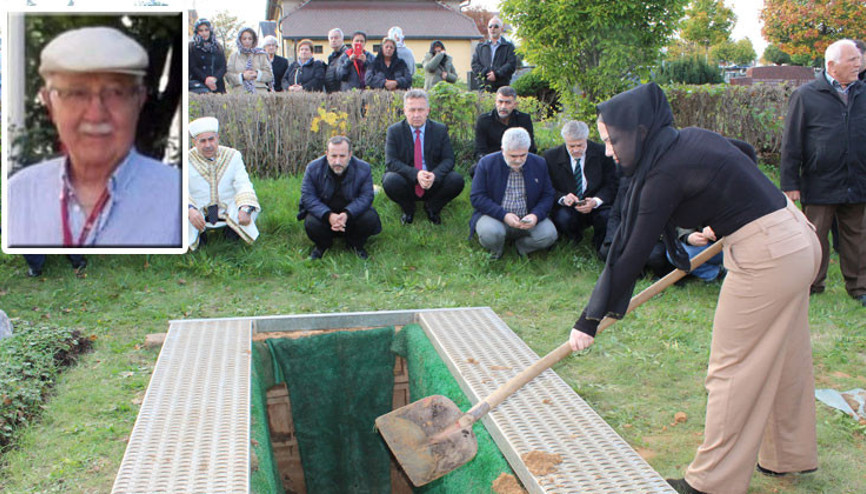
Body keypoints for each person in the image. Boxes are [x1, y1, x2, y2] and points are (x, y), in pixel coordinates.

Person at [568, 83, 821, 494]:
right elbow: (743, 155)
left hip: (768, 257)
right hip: (796, 235)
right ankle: (787, 456)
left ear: (640, 132)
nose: (611, 151)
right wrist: (722, 214)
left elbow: (629, 251)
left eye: (613, 140)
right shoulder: (691, 138)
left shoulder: (663, 174)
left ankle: (712, 484)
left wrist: (588, 321)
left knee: (732, 370)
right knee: (787, 353)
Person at [7, 26, 181, 248]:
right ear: (50, 104)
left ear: (139, 100)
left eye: (115, 93)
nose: (96, 114)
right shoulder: (18, 195)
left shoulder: (178, 199)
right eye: (76, 93)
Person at [781, 39, 866, 307]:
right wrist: (789, 183)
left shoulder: (863, 93)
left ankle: (860, 287)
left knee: (858, 238)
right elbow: (791, 142)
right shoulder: (806, 96)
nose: (858, 64)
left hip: (857, 180)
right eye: (851, 59)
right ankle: (812, 284)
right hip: (820, 181)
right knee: (814, 237)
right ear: (832, 65)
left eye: (858, 59)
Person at [470, 127, 557, 259]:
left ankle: (521, 247)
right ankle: (497, 250)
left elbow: (548, 195)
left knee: (549, 234)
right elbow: (477, 197)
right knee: (490, 233)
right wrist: (504, 215)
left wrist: (535, 215)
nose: (518, 160)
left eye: (523, 155)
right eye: (513, 156)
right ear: (503, 150)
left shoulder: (539, 163)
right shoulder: (487, 163)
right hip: (496, 216)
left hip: (528, 217)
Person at [383, 89, 465, 225]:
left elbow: (449, 159)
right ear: (405, 110)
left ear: (428, 110)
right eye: (412, 110)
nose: (416, 115)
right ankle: (408, 209)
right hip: (408, 181)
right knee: (390, 180)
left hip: (432, 181)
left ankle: (432, 207)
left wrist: (435, 175)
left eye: (420, 110)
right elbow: (391, 162)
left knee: (456, 180)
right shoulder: (394, 131)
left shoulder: (440, 130)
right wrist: (416, 174)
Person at [298, 136, 382, 260]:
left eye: (342, 156)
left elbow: (367, 197)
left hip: (352, 218)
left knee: (370, 217)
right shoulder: (313, 168)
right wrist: (329, 216)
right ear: (326, 154)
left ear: (350, 155)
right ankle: (322, 246)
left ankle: (355, 245)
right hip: (325, 218)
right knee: (311, 222)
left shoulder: (364, 168)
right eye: (333, 156)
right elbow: (307, 197)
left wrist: (347, 214)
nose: (337, 161)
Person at [187, 117, 261, 250]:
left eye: (211, 139)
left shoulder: (233, 155)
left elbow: (243, 183)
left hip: (227, 204)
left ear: (217, 138)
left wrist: (245, 207)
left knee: (250, 206)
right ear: (194, 142)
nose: (208, 145)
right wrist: (190, 209)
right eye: (202, 141)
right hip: (198, 206)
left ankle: (232, 235)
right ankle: (198, 240)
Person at [544, 120, 617, 255]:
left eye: (580, 145)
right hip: (568, 206)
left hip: (596, 203)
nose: (576, 150)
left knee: (606, 216)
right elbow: (547, 187)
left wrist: (596, 201)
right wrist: (563, 198)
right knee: (562, 217)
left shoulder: (602, 153)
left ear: (586, 140)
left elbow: (612, 183)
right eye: (571, 146)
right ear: (565, 141)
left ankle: (600, 246)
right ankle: (572, 241)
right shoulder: (551, 156)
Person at [470, 16, 517, 93]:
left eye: (496, 26)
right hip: (484, 88)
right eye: (490, 26)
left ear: (501, 29)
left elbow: (511, 65)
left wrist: (496, 74)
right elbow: (474, 65)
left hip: (502, 88)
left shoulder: (509, 47)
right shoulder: (481, 47)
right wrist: (487, 73)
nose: (492, 28)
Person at [226, 27, 273, 94]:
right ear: (240, 40)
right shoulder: (233, 56)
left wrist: (257, 74)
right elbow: (228, 75)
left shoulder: (261, 55)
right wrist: (242, 77)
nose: (247, 41)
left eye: (250, 39)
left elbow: (269, 75)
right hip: (239, 94)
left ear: (253, 40)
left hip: (260, 93)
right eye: (244, 39)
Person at [189, 18, 226, 94]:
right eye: (201, 30)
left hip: (217, 84)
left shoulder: (218, 47)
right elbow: (192, 67)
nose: (204, 33)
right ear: (197, 32)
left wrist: (214, 79)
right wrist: (206, 79)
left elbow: (223, 66)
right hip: (198, 83)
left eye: (206, 30)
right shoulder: (191, 47)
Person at [324, 28, 348, 93]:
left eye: (336, 38)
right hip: (331, 94)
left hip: (343, 94)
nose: (333, 40)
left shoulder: (348, 55)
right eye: (331, 38)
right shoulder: (331, 57)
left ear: (342, 39)